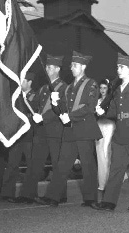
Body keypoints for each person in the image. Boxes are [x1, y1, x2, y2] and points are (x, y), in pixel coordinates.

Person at [36, 51, 102, 207]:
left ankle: (91, 199)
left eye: (75, 65)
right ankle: (53, 197)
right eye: (72, 64)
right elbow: (63, 109)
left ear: (83, 66)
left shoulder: (91, 84)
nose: (71, 67)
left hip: (84, 128)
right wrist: (55, 103)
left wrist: (70, 116)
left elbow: (89, 107)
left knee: (87, 165)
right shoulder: (69, 87)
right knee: (62, 164)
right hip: (70, 130)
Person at [92, 53, 129, 212]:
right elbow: (114, 111)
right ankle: (109, 202)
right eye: (118, 67)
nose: (118, 69)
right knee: (115, 169)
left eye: (122, 67)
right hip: (120, 134)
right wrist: (101, 112)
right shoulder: (117, 89)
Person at [13, 55, 68, 204]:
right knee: (34, 162)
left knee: (57, 163)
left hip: (56, 129)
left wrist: (44, 118)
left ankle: (59, 195)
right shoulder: (44, 88)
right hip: (41, 130)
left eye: (50, 68)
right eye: (47, 67)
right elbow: (35, 105)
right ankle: (27, 194)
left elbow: (62, 107)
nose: (47, 70)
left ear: (57, 69)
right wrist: (23, 96)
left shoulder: (64, 88)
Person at [0, 71, 43, 202]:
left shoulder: (36, 96)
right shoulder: (15, 97)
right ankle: (6, 193)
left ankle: (30, 194)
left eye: (23, 81)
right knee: (12, 163)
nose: (20, 83)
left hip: (30, 135)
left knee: (32, 165)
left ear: (29, 82)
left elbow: (37, 112)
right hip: (17, 135)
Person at [95, 78, 116, 201]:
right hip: (99, 127)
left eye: (105, 88)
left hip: (109, 126)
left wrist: (104, 113)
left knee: (107, 153)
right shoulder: (96, 101)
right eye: (101, 88)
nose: (102, 90)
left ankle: (110, 181)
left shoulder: (111, 101)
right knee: (100, 154)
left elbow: (114, 114)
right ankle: (102, 182)